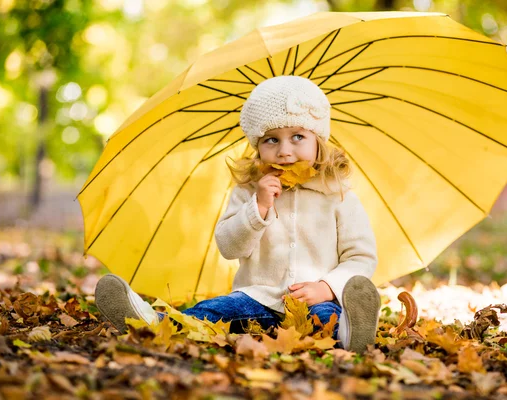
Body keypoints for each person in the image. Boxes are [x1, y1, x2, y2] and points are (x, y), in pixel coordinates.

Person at [95, 75, 381, 353]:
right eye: (271, 140)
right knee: (216, 312)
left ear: (318, 140)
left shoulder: (338, 195)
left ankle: (348, 332)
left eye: (297, 137)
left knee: (326, 319)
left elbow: (361, 257)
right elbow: (229, 247)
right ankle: (154, 323)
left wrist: (326, 287)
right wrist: (258, 208)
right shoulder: (249, 192)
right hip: (258, 300)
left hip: (314, 302)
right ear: (257, 147)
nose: (284, 151)